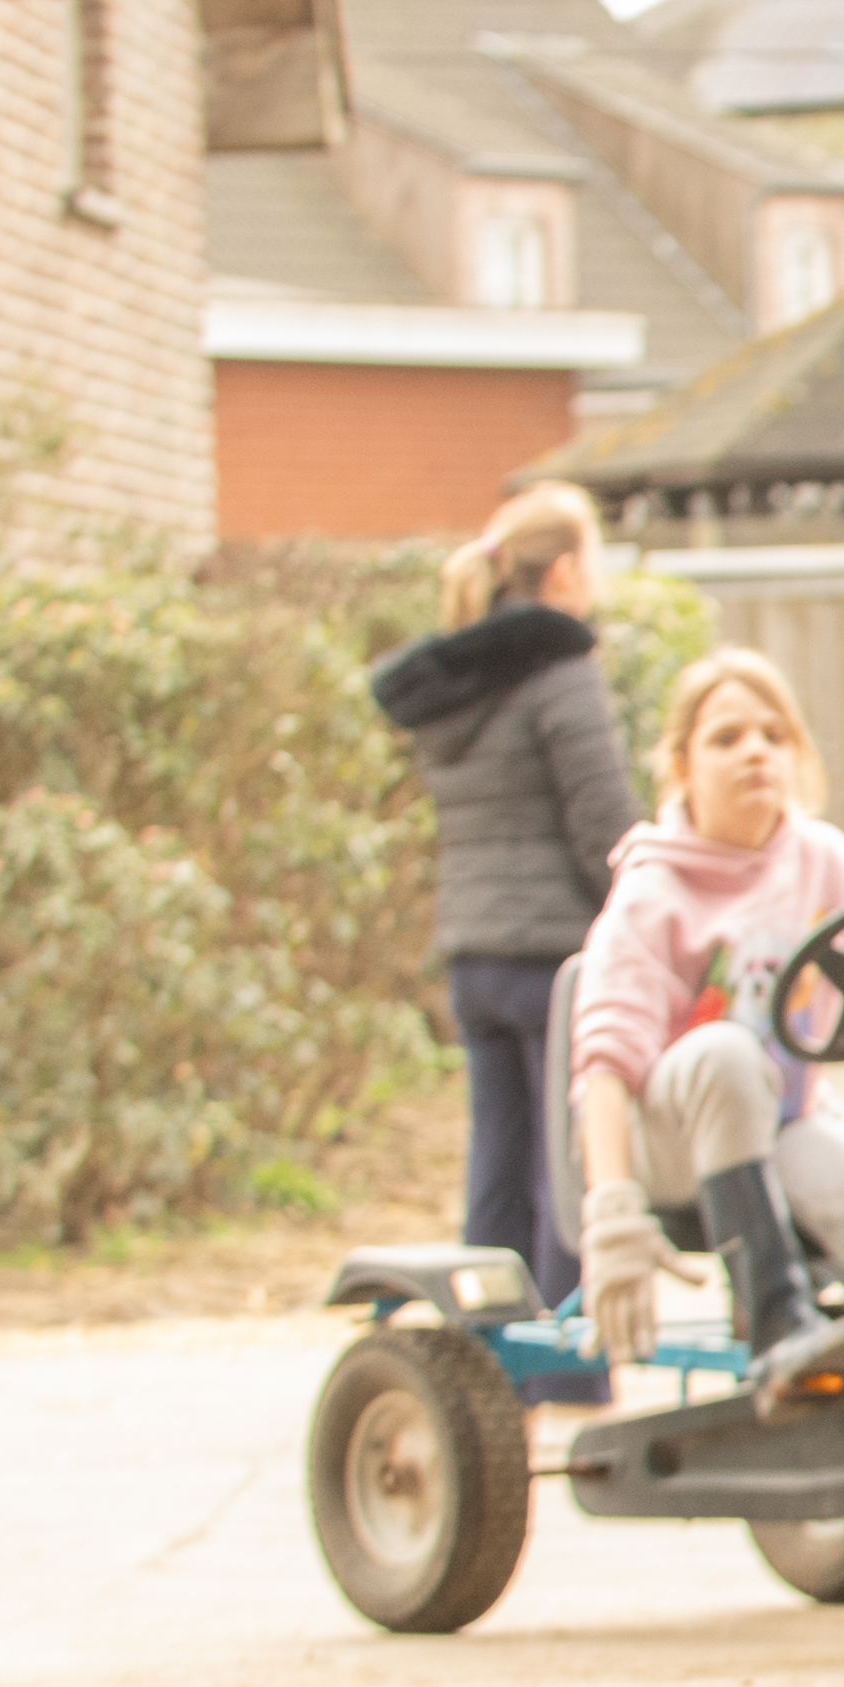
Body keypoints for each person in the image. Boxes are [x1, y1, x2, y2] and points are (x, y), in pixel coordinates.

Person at [564, 651, 844, 1407]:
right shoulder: (652, 889)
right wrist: (611, 1204)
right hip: (671, 1140)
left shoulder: (825, 861)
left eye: (772, 734)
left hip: (781, 1126)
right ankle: (777, 1321)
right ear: (682, 765)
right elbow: (605, 1066)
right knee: (727, 1055)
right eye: (726, 738)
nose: (755, 749)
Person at [366, 482, 635, 1393]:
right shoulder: (561, 674)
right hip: (553, 954)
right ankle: (562, 1364)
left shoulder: (454, 689)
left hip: (475, 952)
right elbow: (604, 825)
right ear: (562, 570)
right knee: (568, 1160)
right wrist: (643, 915)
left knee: (498, 1161)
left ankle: (484, 1358)